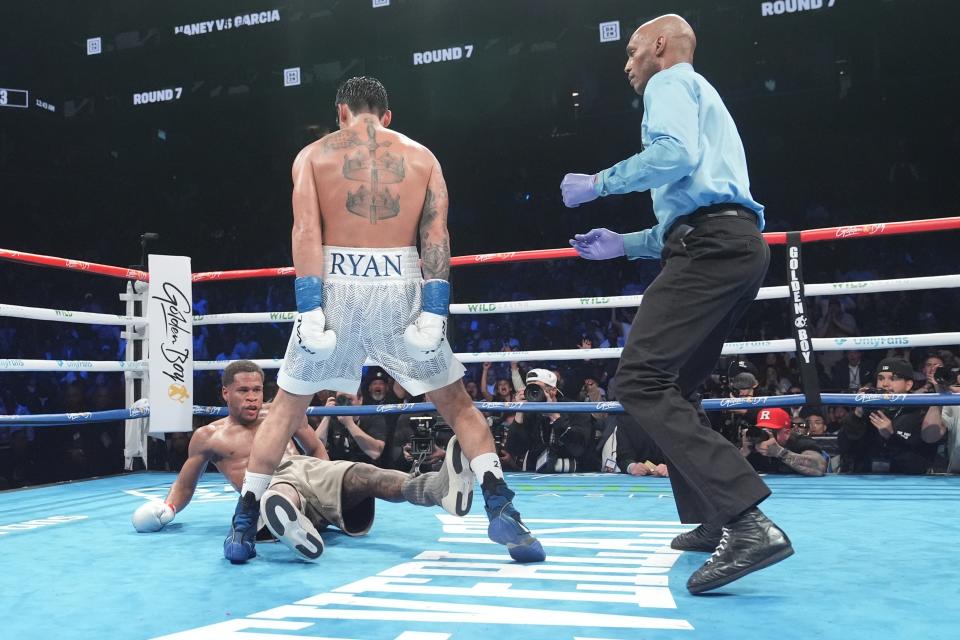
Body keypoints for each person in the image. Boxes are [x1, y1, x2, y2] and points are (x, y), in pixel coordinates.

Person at [225, 76, 544, 564]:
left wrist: (310, 310)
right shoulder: (423, 157)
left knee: (287, 407)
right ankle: (502, 507)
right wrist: (435, 313)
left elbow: (306, 230)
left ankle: (245, 523)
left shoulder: (313, 155)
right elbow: (437, 237)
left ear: (341, 114)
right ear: (388, 115)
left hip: (335, 287)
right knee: (457, 404)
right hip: (403, 288)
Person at [559, 14, 791, 594]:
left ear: (660, 46)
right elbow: (690, 210)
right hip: (732, 244)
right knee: (676, 385)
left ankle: (746, 521)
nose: (627, 62)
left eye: (634, 50)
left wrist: (600, 182)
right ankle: (716, 519)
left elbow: (675, 157)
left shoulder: (669, 83)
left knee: (639, 381)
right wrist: (624, 244)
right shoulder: (703, 95)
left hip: (710, 249)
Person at [132, 361, 472, 561]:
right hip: (265, 497)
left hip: (310, 480)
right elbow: (185, 483)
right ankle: (290, 519)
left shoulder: (283, 415)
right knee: (278, 487)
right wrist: (168, 511)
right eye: (243, 391)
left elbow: (315, 451)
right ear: (225, 393)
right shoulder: (210, 437)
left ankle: (435, 488)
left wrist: (330, 471)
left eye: (256, 389)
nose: (252, 397)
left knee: (364, 474)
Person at [739, 408, 827, 477]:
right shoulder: (754, 445)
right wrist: (743, 453)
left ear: (786, 433)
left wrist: (780, 453)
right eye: (762, 430)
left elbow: (819, 468)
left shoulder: (801, 442)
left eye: (770, 431)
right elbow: (727, 475)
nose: (765, 435)